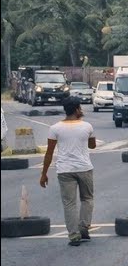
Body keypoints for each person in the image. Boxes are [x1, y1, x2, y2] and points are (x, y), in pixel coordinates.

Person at [38, 100, 96, 246]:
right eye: (80, 108)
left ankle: (74, 236)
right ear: (77, 110)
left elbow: (49, 153)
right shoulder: (87, 126)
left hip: (64, 170)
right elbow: (92, 145)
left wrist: (44, 174)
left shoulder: (55, 128)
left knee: (69, 203)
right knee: (87, 199)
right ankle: (84, 227)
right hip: (84, 168)